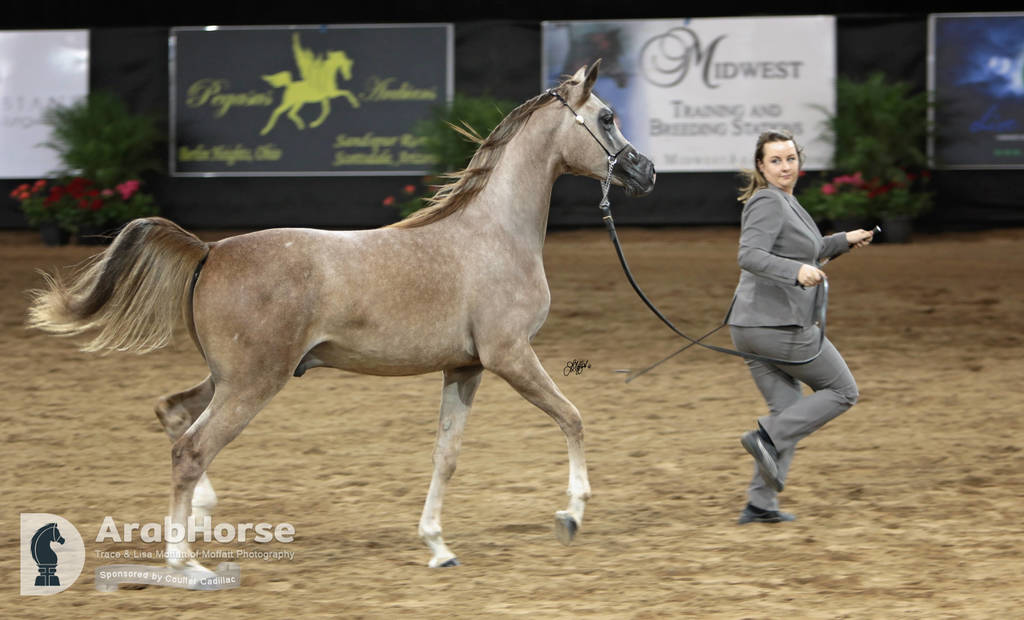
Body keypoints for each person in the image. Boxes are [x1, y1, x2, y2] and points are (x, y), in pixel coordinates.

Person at [726, 129, 875, 525]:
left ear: (799, 161)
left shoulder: (785, 201)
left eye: (790, 158)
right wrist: (796, 272)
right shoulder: (767, 202)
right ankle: (766, 437)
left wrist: (844, 240)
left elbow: (806, 250)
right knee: (843, 390)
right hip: (776, 326)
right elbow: (749, 255)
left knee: (790, 410)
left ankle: (760, 504)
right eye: (775, 160)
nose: (784, 166)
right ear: (761, 166)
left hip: (752, 326)